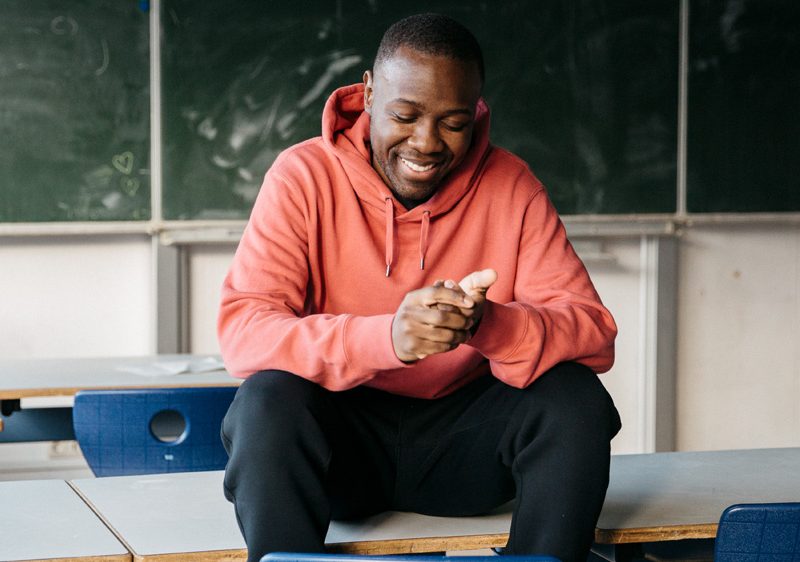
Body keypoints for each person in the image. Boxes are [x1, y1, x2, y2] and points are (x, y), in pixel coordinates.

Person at [218, 13, 621, 562]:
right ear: (367, 92)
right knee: (265, 400)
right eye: (405, 116)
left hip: (466, 454)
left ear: (477, 107)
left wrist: (489, 323)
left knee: (575, 400)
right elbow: (244, 333)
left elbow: (594, 332)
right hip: (342, 454)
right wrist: (388, 339)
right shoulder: (302, 177)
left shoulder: (513, 186)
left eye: (454, 122)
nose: (427, 143)